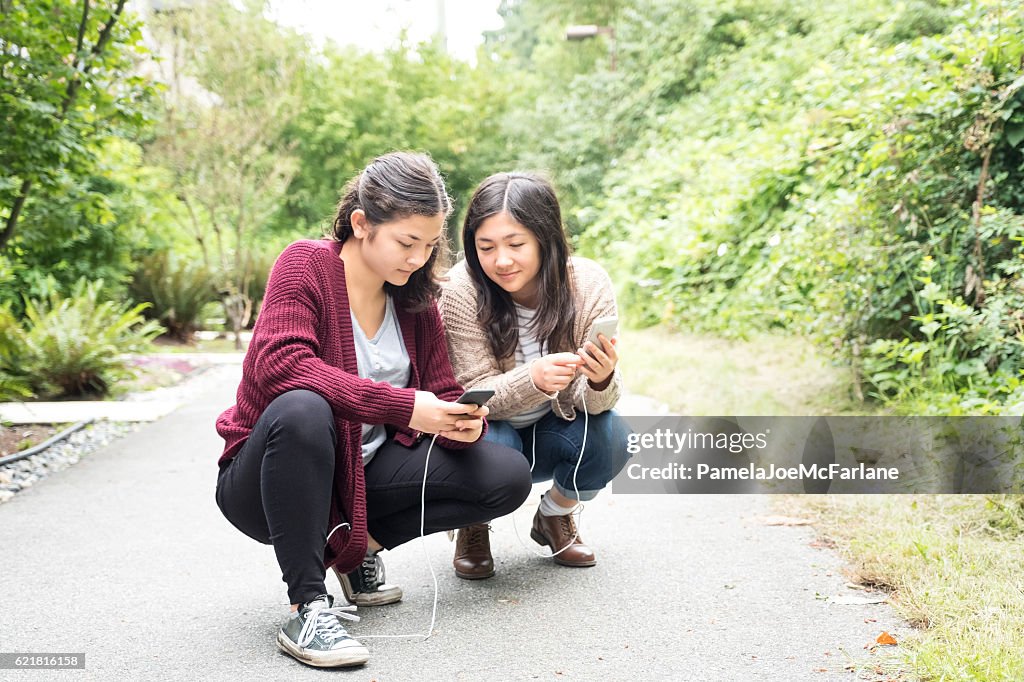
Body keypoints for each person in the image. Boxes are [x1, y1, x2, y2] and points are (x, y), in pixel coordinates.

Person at [214, 152, 533, 668]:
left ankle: (356, 549)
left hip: (362, 479)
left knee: (504, 474)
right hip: (266, 480)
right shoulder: (305, 266)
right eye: (407, 243)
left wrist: (459, 422)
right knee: (302, 407)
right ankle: (308, 607)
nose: (417, 258)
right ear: (361, 224)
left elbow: (441, 389)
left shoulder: (416, 299)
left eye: (429, 245)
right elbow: (282, 366)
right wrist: (406, 408)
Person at [439, 171, 631, 581]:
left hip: (554, 428)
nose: (501, 261)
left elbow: (597, 404)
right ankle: (473, 523)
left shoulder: (588, 283)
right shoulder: (461, 290)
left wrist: (599, 380)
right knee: (480, 441)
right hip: (491, 429)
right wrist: (535, 379)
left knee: (614, 436)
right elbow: (474, 393)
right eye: (485, 247)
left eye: (516, 244)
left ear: (546, 239)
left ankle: (554, 514)